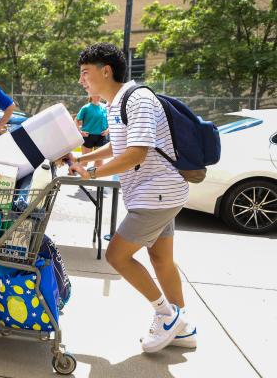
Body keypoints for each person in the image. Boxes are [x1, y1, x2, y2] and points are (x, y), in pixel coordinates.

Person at [68, 43, 195, 353]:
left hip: (156, 194)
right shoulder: (117, 103)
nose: (82, 80)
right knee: (161, 258)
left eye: (86, 73)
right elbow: (119, 147)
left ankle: (167, 316)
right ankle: (183, 329)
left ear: (106, 71)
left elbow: (137, 153)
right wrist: (83, 160)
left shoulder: (137, 99)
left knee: (117, 256)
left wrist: (94, 174)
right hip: (160, 192)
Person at [76, 95, 108, 167]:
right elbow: (76, 120)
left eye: (99, 94)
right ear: (91, 96)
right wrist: (80, 132)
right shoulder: (86, 108)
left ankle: (93, 177)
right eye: (96, 94)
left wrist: (107, 131)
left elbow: (111, 121)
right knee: (84, 161)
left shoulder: (105, 107)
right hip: (88, 137)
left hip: (101, 137)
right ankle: (76, 175)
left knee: (99, 163)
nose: (98, 96)